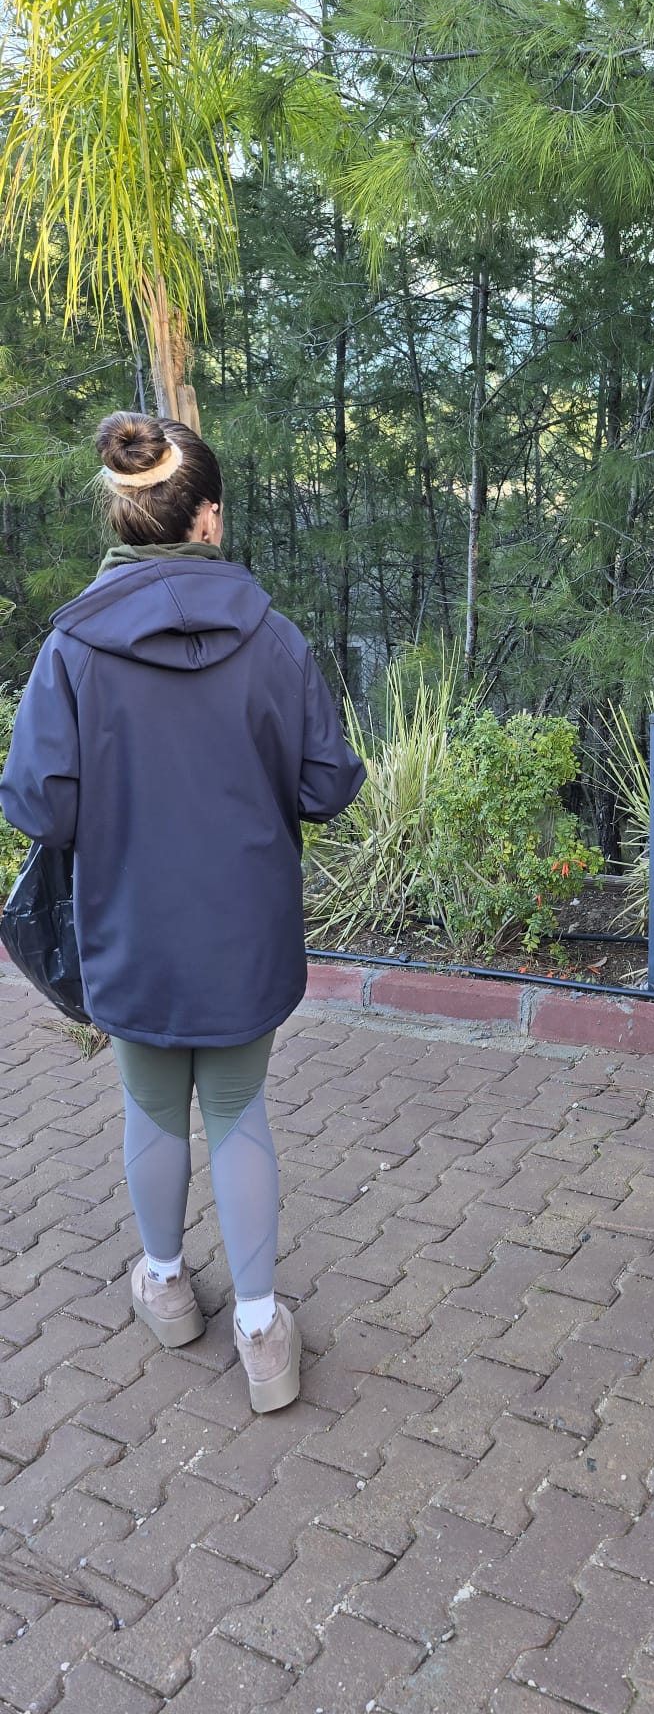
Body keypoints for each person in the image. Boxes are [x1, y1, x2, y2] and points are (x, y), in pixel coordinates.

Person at [0, 413, 365, 1412]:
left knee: (153, 1106)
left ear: (124, 518)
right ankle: (261, 1331)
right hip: (246, 928)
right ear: (207, 518)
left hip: (131, 927)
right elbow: (328, 784)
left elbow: (40, 805)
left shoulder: (72, 648)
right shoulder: (274, 638)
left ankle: (164, 1286)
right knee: (239, 1110)